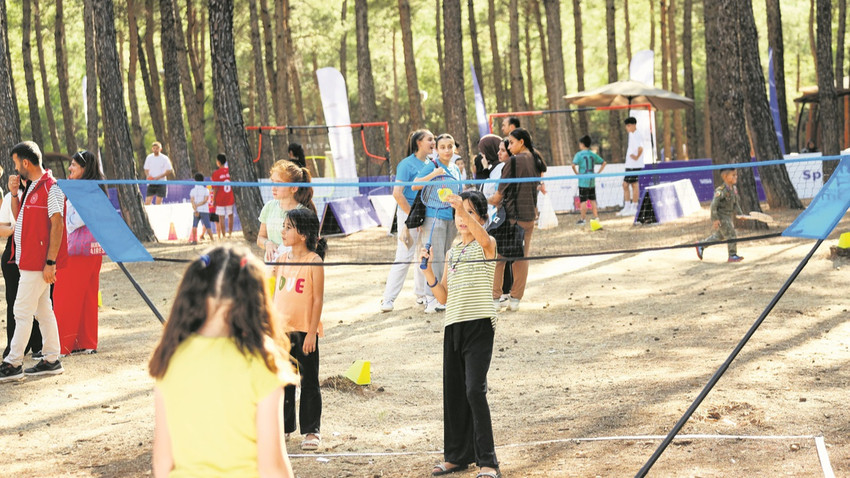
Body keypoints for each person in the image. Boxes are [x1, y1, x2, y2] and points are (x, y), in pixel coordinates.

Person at [149, 245, 298, 477]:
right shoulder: (263, 360)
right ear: (253, 297)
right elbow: (272, 468)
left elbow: (162, 463)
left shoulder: (170, 357)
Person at [420, 190, 500, 478]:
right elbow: (443, 297)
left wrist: (460, 206)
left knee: (474, 391)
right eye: (458, 213)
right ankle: (456, 456)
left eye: (469, 212)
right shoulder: (452, 252)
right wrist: (428, 271)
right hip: (453, 326)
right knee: (454, 394)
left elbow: (484, 239)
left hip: (479, 326)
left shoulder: (486, 244)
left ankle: (488, 462)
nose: (462, 218)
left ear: (480, 217)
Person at [0, 141, 67, 382]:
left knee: (22, 310)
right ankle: (51, 359)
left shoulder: (51, 188)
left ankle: (13, 362)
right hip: (30, 260)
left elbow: (58, 224)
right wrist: (15, 193)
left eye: (17, 163)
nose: (16, 168)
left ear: (26, 162)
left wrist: (51, 261)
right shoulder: (34, 188)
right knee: (43, 311)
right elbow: (20, 219)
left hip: (37, 263)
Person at [271, 208, 327, 451]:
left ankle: (311, 431)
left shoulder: (314, 262)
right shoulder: (281, 260)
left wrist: (312, 332)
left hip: (305, 333)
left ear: (302, 234)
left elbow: (317, 300)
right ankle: (283, 429)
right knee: (283, 382)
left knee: (309, 382)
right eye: (283, 226)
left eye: (288, 227)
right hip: (281, 334)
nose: (283, 231)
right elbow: (273, 292)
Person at [54, 150, 106, 356]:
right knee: (86, 296)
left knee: (65, 295)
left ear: (84, 169)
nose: (70, 169)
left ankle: (61, 345)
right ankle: (85, 342)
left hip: (76, 252)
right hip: (92, 251)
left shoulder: (85, 190)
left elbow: (75, 220)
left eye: (74, 165)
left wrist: (61, 218)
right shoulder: (95, 189)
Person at [488, 128, 545, 312]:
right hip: (529, 217)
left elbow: (498, 196)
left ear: (521, 142)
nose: (509, 146)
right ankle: (515, 300)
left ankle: (495, 299)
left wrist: (478, 200)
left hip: (513, 218)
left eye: (511, 142)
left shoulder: (513, 162)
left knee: (499, 258)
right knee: (522, 258)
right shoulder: (536, 159)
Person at [380, 129, 434, 312]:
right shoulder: (406, 164)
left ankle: (422, 295)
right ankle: (388, 299)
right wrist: (413, 218)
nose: (433, 143)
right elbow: (397, 194)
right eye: (430, 139)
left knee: (424, 254)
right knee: (403, 257)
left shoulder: (430, 163)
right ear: (419, 142)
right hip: (409, 214)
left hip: (425, 212)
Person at [413, 133, 463, 314]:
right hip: (434, 218)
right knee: (436, 257)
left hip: (451, 218)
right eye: (442, 147)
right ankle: (431, 299)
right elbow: (415, 184)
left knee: (445, 256)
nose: (447, 150)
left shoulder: (456, 169)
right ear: (436, 150)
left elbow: (460, 191)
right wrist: (435, 174)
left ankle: (442, 296)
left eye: (450, 146)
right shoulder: (432, 165)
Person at [1, 171, 42, 359]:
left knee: (39, 304)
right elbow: (2, 228)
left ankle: (38, 345)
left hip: (36, 256)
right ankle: (15, 346)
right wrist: (15, 229)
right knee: (14, 304)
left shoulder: (43, 194)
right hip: (12, 258)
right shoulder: (10, 196)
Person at [257, 160, 316, 262]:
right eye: (273, 182)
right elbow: (260, 238)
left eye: (279, 183)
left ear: (293, 188)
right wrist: (268, 243)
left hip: (294, 267)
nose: (274, 188)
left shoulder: (303, 214)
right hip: (272, 268)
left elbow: (309, 245)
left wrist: (287, 252)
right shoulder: (269, 207)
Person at [479, 135, 513, 306]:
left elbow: (497, 194)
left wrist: (485, 200)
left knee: (501, 256)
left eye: (483, 152)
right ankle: (502, 292)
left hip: (501, 216)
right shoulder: (492, 168)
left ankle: (503, 293)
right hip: (493, 216)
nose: (481, 156)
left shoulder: (501, 168)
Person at [696, 168, 745, 263]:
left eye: (736, 175)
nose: (736, 177)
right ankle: (732, 255)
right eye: (733, 175)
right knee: (731, 234)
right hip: (722, 217)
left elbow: (735, 204)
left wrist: (740, 213)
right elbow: (713, 206)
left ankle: (701, 245)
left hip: (728, 216)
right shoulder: (720, 191)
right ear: (725, 177)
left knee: (720, 236)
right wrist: (715, 219)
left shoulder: (734, 189)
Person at [571, 135, 607, 225]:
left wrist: (577, 173)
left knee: (583, 200)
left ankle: (582, 219)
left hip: (583, 181)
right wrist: (598, 172)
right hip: (592, 180)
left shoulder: (579, 154)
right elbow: (604, 162)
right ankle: (596, 217)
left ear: (582, 144)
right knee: (593, 199)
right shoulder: (592, 154)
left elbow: (573, 165)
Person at [618, 117, 646, 216]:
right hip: (630, 164)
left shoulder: (637, 134)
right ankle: (627, 206)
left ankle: (634, 207)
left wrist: (636, 157)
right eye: (626, 126)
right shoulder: (631, 134)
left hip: (635, 165)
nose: (627, 128)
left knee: (633, 184)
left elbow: (641, 147)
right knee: (626, 185)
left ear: (633, 125)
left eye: (628, 126)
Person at [212, 154, 235, 238]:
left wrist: (214, 199)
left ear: (218, 162)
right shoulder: (230, 171)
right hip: (230, 197)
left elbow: (215, 188)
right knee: (230, 215)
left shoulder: (216, 173)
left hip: (220, 198)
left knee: (221, 217)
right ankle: (230, 233)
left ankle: (224, 235)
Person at [189, 173, 214, 244]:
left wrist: (195, 208)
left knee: (194, 225)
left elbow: (192, 201)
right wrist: (198, 205)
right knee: (207, 225)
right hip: (204, 210)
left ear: (195, 180)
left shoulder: (192, 190)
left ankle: (194, 240)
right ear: (203, 180)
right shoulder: (206, 190)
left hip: (196, 210)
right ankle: (212, 240)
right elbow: (205, 200)